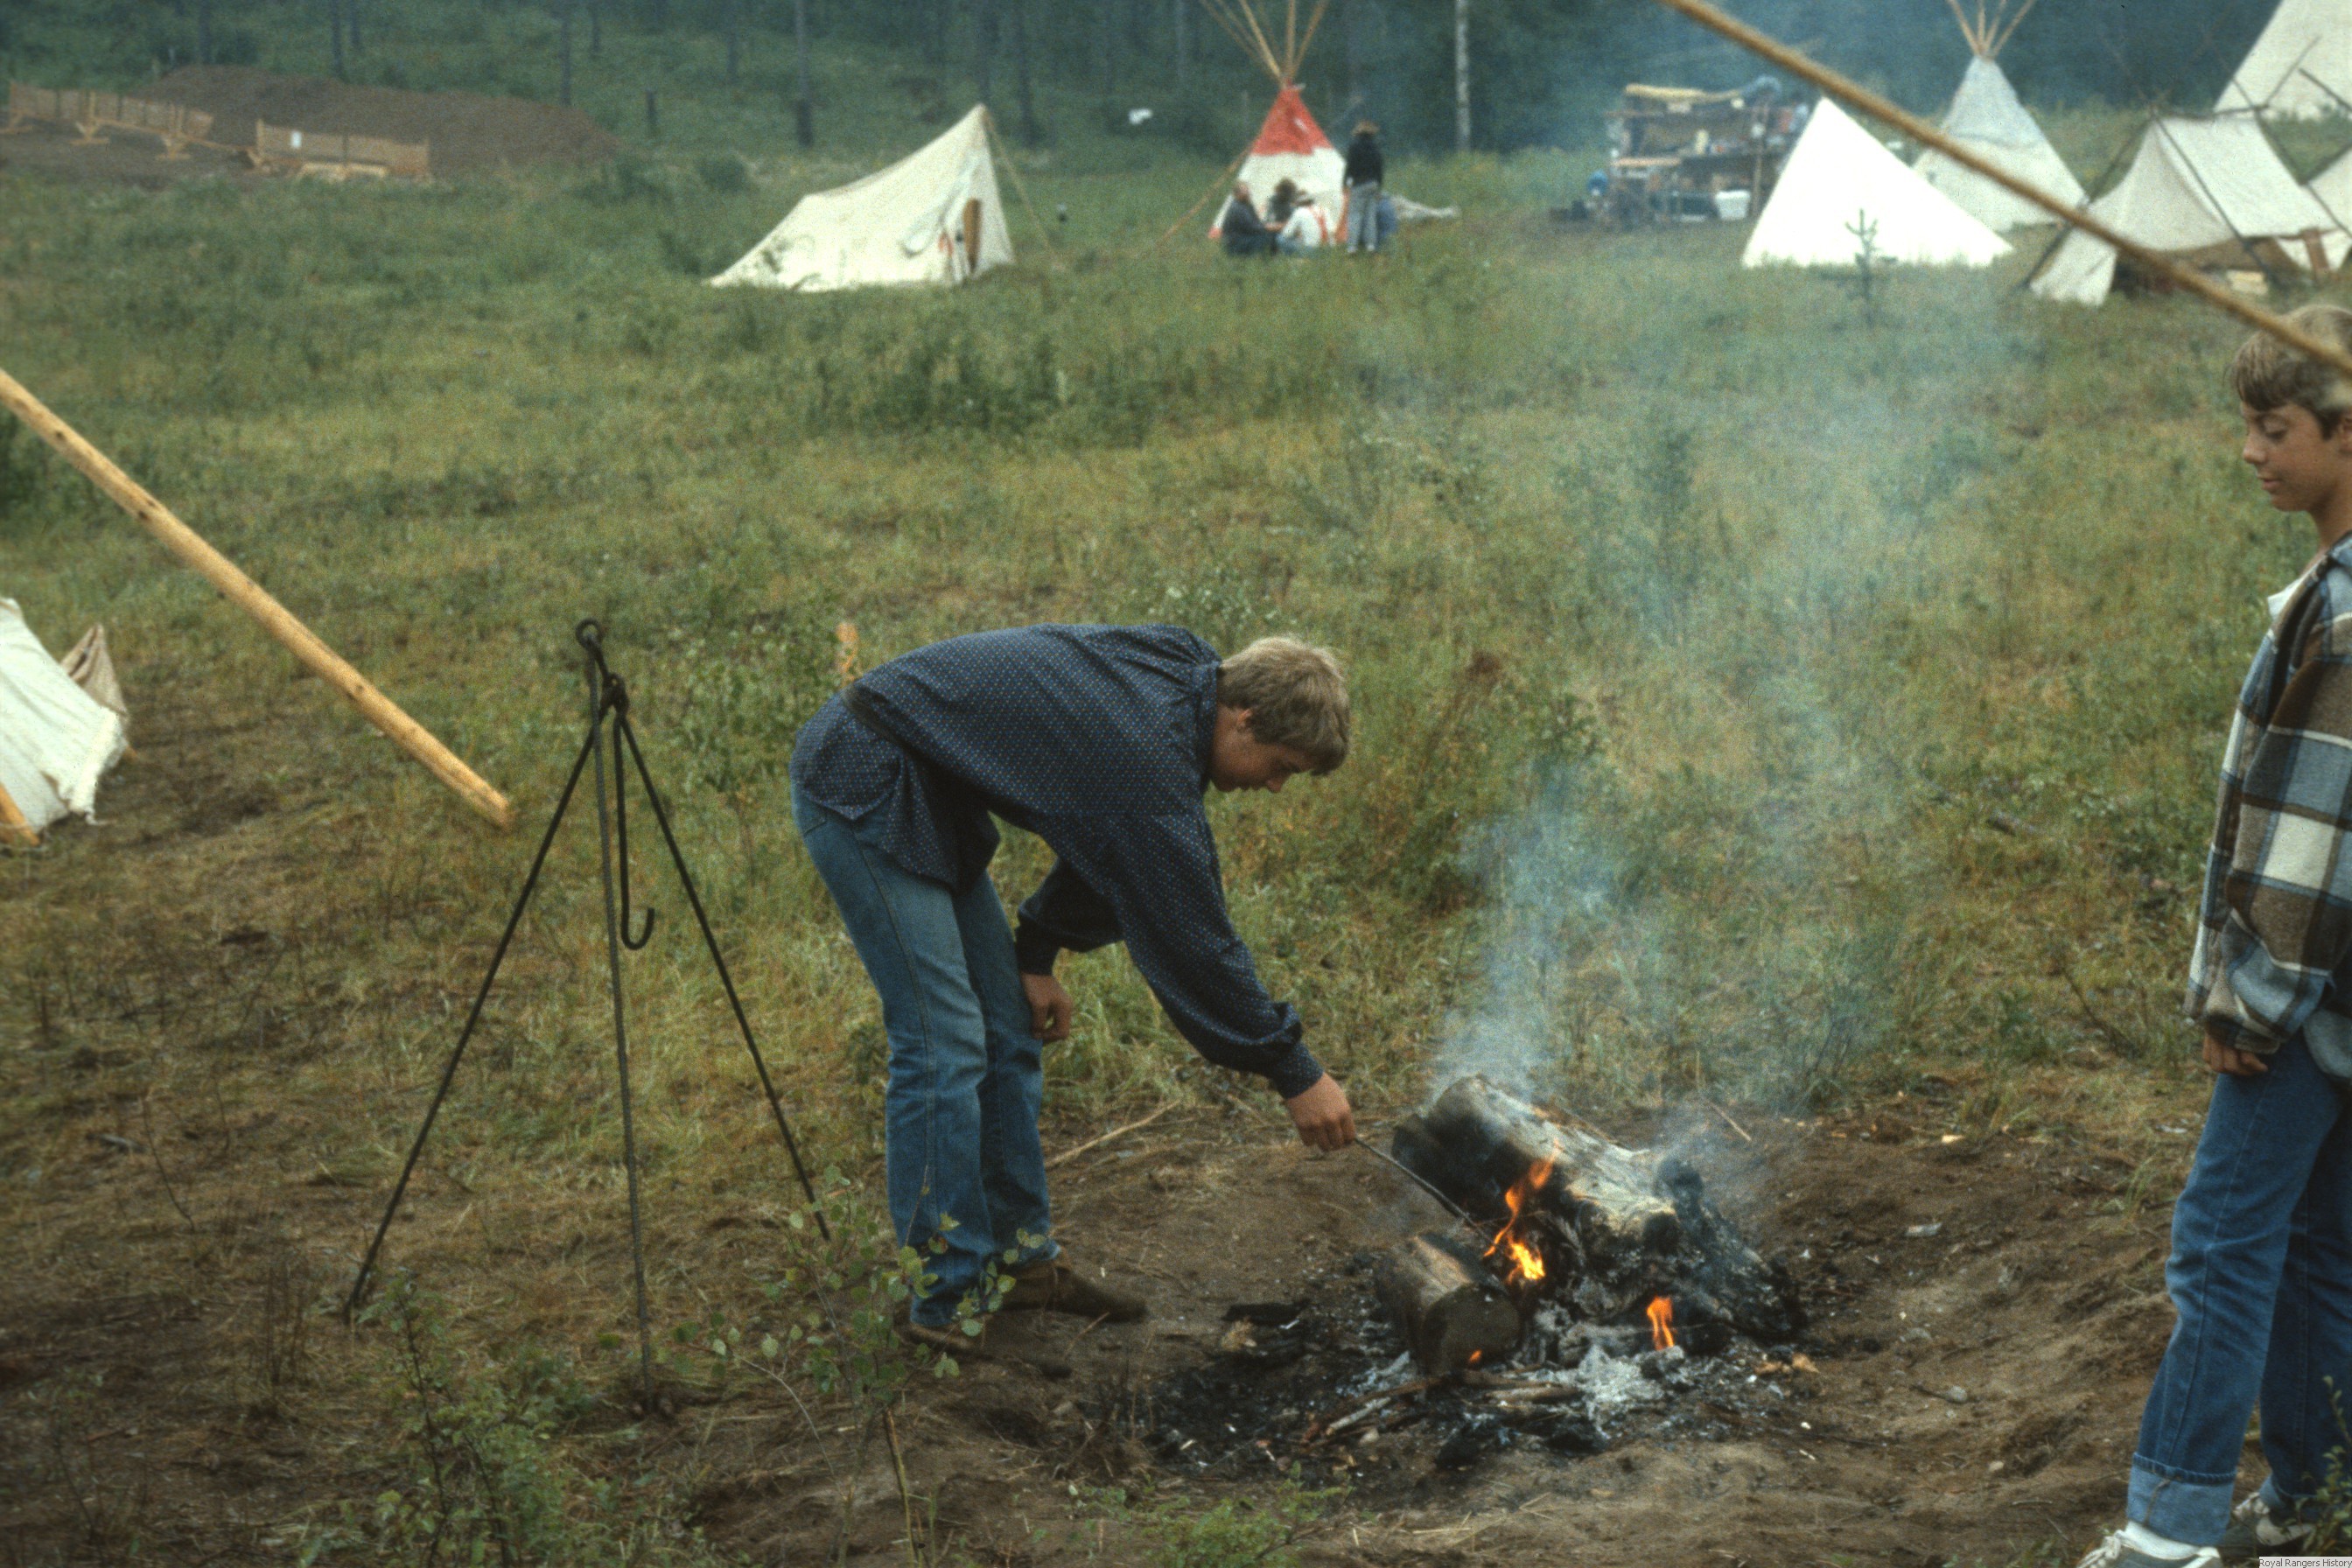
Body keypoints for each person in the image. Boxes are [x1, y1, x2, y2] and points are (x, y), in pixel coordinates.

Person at [788, 626, 1357, 1350]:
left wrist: (1035, 954)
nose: (1274, 787)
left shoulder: (1187, 675)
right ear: (1243, 718)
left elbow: (1104, 831)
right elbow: (1193, 937)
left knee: (1007, 1024)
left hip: (933, 783)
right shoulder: (1150, 754)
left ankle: (1022, 1264)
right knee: (943, 1044)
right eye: (1280, 767)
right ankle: (946, 1297)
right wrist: (1292, 1069)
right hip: (866, 774)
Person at [2073, 304, 2352, 1568]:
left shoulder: (2344, 616)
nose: (2251, 452)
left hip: (2305, 1000)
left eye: (2275, 428)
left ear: (2347, 434)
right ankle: (2317, 1499)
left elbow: (2311, 839)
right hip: (2338, 997)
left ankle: (2169, 1526)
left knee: (2222, 1242)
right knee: (2315, 1243)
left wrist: (2247, 1005)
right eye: (2247, 425)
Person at [1343, 121, 1383, 254]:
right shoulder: (1375, 147)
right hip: (1373, 184)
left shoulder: (1354, 146)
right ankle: (1370, 245)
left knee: (1355, 215)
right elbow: (1379, 169)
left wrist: (1345, 183)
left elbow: (1350, 166)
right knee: (1370, 216)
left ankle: (1352, 247)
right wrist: (1379, 187)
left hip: (1359, 184)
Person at [1219, 181, 1277, 258]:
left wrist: (1267, 225)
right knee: (1267, 236)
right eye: (1244, 192)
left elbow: (1256, 221)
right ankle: (1261, 257)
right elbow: (1252, 228)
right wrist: (1269, 227)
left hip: (1243, 237)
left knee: (1269, 233)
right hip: (1235, 243)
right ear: (1237, 194)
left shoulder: (1246, 204)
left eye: (1247, 191)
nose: (1248, 194)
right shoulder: (1237, 208)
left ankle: (1270, 255)